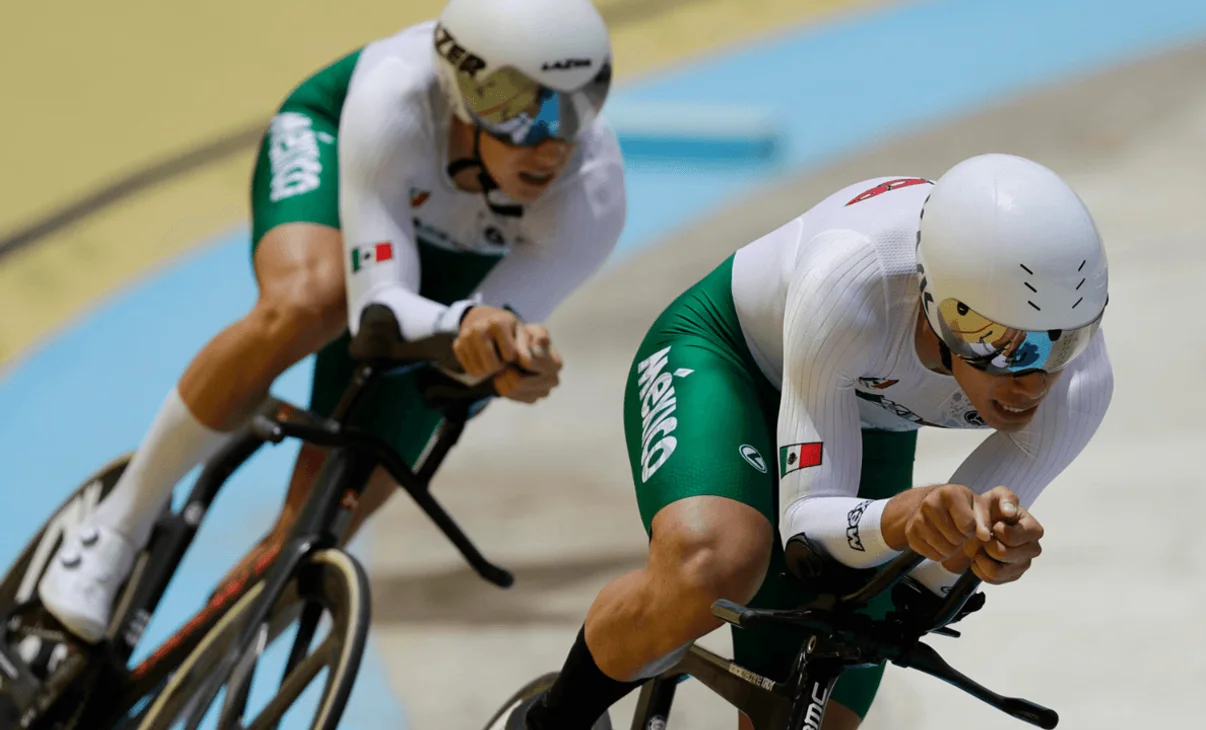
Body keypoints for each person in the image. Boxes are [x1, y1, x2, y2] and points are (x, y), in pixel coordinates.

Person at [38, 0, 626, 643]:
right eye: (523, 108)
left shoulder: (592, 194)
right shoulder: (394, 96)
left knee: (314, 534)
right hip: (344, 162)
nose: (552, 143)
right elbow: (378, 308)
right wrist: (469, 329)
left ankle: (186, 673)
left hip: (458, 265)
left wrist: (510, 359)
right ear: (462, 90)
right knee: (309, 302)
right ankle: (115, 525)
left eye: (578, 106)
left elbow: (479, 341)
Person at [493, 154, 1114, 730]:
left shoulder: (1079, 384)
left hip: (860, 413)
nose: (1034, 379)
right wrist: (903, 517)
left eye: (1064, 342)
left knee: (841, 671)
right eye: (1003, 343)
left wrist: (983, 550)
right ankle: (552, 721)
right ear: (936, 302)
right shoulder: (854, 272)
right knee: (714, 565)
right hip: (727, 355)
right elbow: (806, 532)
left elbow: (923, 581)